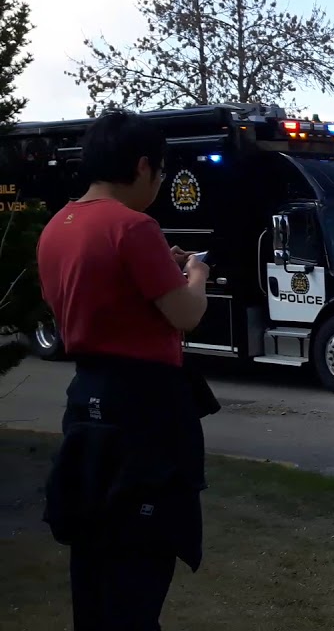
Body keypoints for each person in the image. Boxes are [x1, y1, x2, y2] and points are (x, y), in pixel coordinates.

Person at [37, 109, 216, 630]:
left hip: (87, 406)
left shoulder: (57, 228)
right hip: (143, 413)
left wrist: (161, 263)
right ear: (142, 167)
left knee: (95, 574)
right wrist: (197, 274)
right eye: (159, 175)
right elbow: (187, 314)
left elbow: (95, 300)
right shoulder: (134, 227)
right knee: (138, 577)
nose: (157, 185)